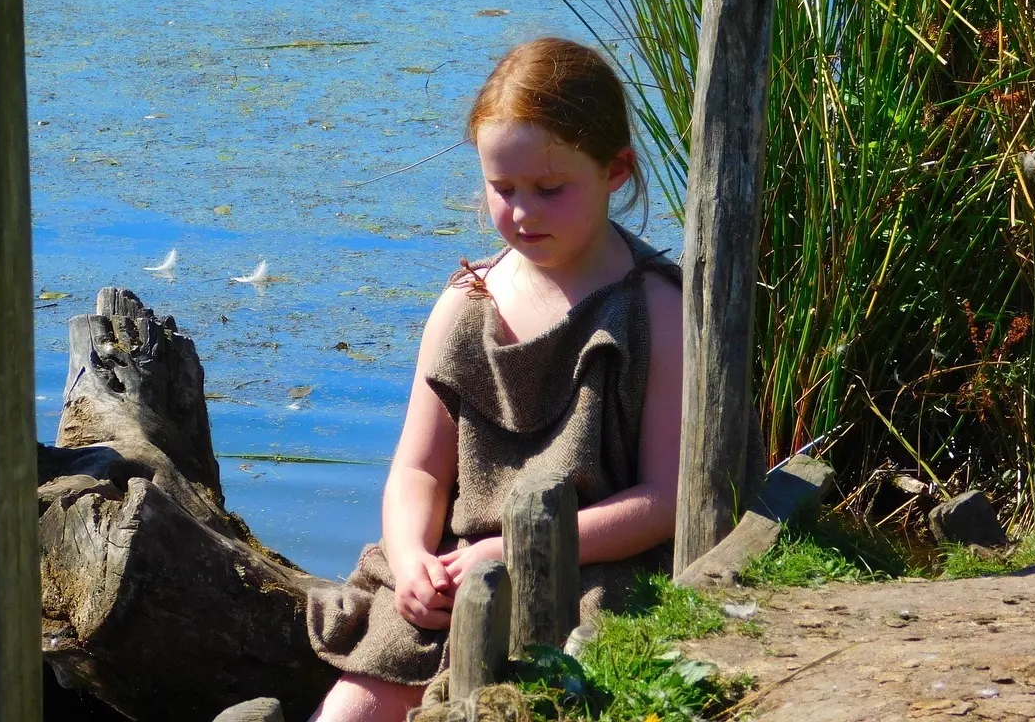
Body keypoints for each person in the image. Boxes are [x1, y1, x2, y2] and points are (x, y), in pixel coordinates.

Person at [306, 37, 764, 722]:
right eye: (503, 189)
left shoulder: (657, 312)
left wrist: (522, 550)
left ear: (615, 170)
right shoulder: (464, 305)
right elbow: (418, 471)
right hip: (460, 572)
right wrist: (409, 560)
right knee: (351, 710)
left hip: (596, 574)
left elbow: (667, 498)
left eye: (550, 190)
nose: (522, 213)